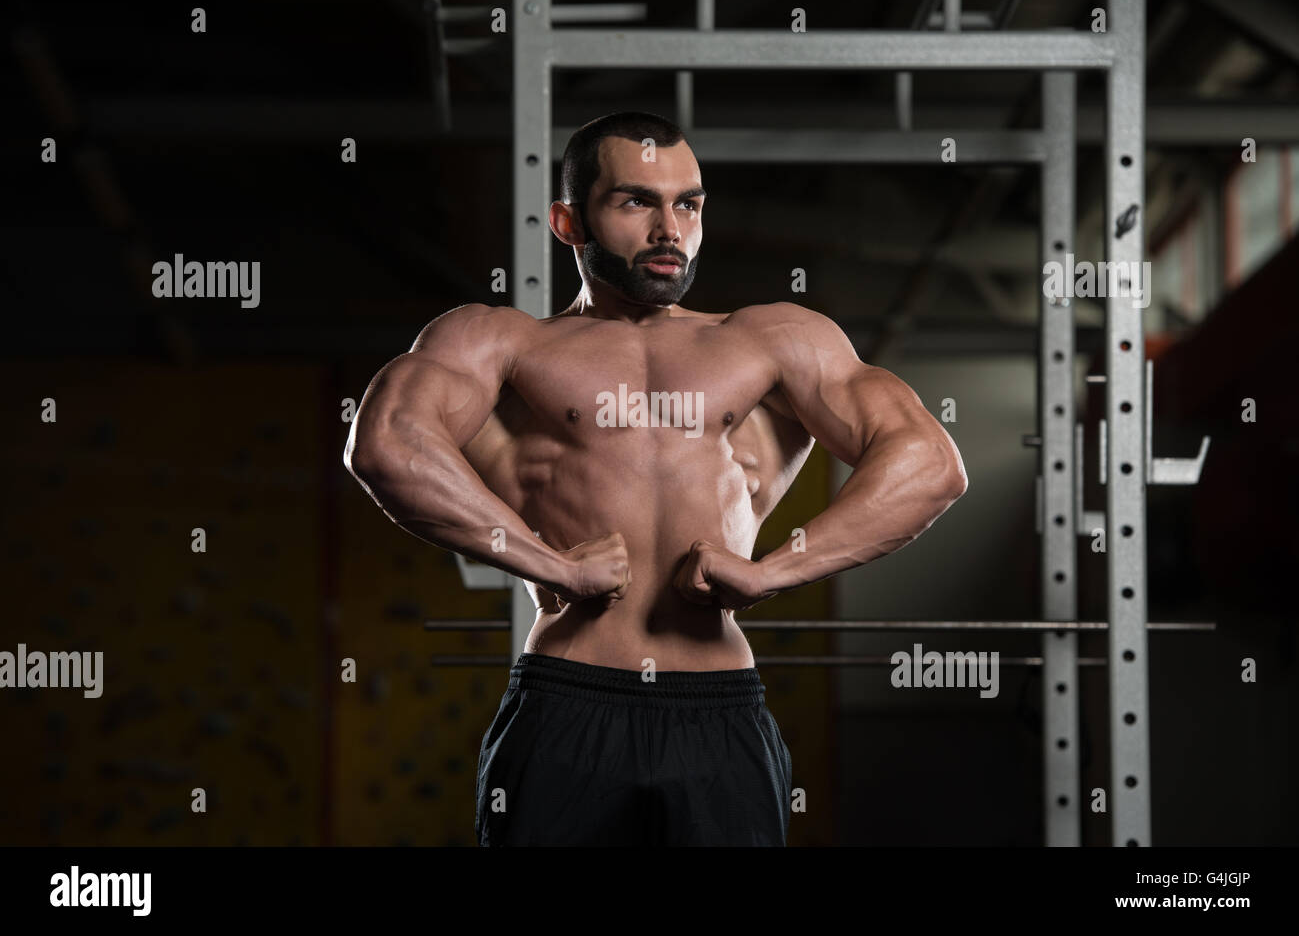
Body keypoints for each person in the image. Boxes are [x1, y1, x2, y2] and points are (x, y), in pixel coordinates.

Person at [344, 111, 967, 845]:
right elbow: (384, 443)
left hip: (719, 708)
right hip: (565, 706)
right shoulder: (505, 343)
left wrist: (774, 571)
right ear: (569, 221)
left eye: (689, 203)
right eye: (637, 201)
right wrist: (550, 566)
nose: (670, 227)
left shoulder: (773, 340)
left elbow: (930, 463)